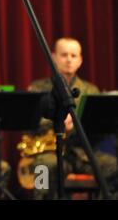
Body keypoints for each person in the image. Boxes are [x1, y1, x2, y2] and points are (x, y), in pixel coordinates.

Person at [26, 37, 117, 199]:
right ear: (54, 57)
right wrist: (58, 121)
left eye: (73, 56)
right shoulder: (37, 88)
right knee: (42, 169)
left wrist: (76, 126)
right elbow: (31, 123)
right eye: (64, 55)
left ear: (80, 60)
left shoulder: (90, 89)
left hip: (81, 153)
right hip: (49, 151)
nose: (69, 60)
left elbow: (98, 129)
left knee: (115, 168)